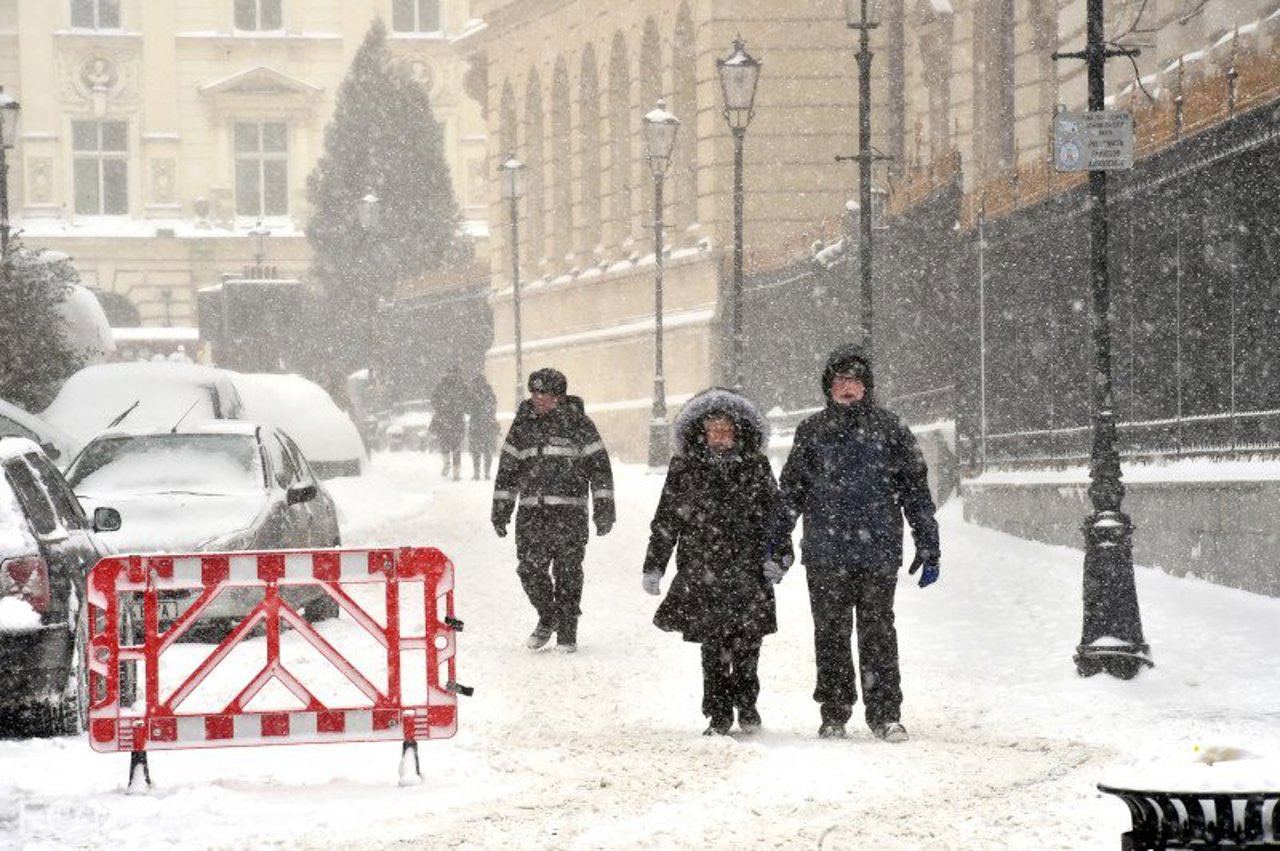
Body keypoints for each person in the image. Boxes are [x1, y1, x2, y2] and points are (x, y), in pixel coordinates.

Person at [763, 343, 940, 742]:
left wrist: (928, 542)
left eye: (855, 381)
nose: (848, 388)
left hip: (878, 551)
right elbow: (791, 491)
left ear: (867, 387)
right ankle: (834, 712)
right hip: (826, 552)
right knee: (831, 634)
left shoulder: (890, 429)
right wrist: (778, 540)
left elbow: (915, 490)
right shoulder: (812, 432)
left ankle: (885, 714)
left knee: (879, 631)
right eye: (841, 380)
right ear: (829, 387)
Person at [642, 388, 791, 736]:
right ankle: (718, 713)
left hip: (748, 570)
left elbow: (775, 517)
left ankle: (747, 703)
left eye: (727, 430)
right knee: (713, 647)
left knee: (748, 644)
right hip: (702, 570)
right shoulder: (685, 468)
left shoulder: (755, 466)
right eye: (714, 430)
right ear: (702, 432)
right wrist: (654, 565)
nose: (720, 437)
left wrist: (781, 556)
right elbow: (667, 519)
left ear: (738, 432)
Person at [491, 368, 615, 652]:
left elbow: (600, 470)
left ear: (559, 397)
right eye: (534, 393)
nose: (537, 399)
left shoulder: (580, 425)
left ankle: (567, 633)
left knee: (568, 572)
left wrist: (604, 509)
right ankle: (549, 616)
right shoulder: (522, 426)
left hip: (570, 515)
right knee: (529, 570)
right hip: (531, 515)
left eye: (543, 394)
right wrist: (501, 510)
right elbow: (507, 473)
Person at [430, 364, 467, 480]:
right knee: (455, 447)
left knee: (447, 445)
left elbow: (434, 400)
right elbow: (467, 401)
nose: (452, 375)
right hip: (454, 420)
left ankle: (448, 465)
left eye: (453, 373)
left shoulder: (442, 386)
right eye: (450, 373)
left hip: (447, 420)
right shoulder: (461, 386)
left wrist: (441, 408)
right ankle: (455, 472)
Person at [465, 372, 499, 480]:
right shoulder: (489, 392)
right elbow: (493, 407)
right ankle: (486, 473)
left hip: (477, 424)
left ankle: (477, 473)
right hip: (487, 424)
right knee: (487, 450)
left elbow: (468, 410)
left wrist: (475, 406)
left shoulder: (472, 394)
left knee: (477, 450)